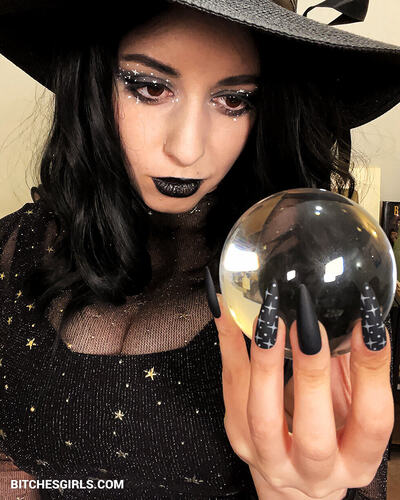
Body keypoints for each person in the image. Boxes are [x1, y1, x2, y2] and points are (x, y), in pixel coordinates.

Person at [0, 0, 399, 498]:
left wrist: (298, 494)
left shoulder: (315, 286)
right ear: (90, 82)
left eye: (233, 100)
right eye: (150, 88)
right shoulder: (10, 248)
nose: (187, 150)